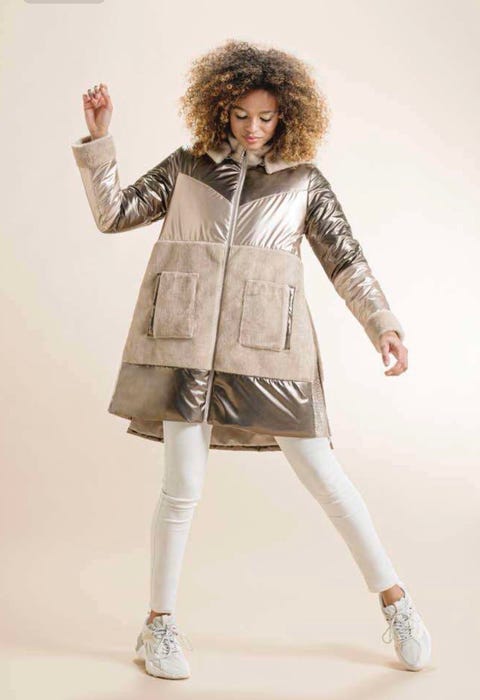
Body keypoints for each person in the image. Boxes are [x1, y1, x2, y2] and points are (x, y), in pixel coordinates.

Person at [72, 39, 431, 680]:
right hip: (183, 345)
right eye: (241, 115)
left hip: (270, 349)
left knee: (326, 479)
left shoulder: (303, 182)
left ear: (287, 114)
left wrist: (383, 324)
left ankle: (396, 601)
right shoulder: (187, 167)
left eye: (265, 117)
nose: (253, 128)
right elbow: (114, 213)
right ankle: (158, 625)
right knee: (181, 488)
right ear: (220, 108)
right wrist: (100, 140)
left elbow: (346, 261)